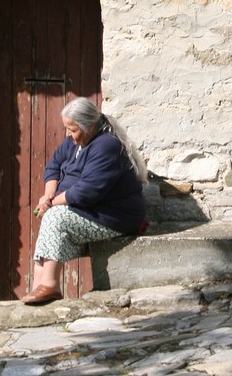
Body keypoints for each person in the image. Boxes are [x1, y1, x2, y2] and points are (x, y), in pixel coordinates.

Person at [21, 97, 148, 305]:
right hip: (90, 209)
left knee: (56, 217)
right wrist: (48, 195)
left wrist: (50, 204)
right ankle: (39, 284)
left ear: (89, 126)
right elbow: (53, 167)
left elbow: (86, 192)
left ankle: (50, 285)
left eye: (72, 129)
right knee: (51, 216)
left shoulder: (107, 146)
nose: (68, 134)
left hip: (115, 215)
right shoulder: (73, 142)